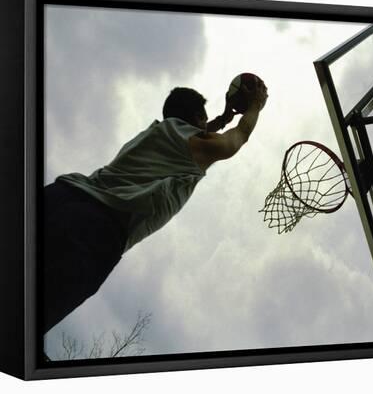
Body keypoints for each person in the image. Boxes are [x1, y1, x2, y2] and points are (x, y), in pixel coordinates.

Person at [42, 79, 268, 333]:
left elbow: (200, 132)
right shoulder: (193, 145)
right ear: (195, 117)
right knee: (26, 319)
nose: (208, 128)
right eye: (203, 122)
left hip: (61, 196)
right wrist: (255, 106)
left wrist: (223, 118)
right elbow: (235, 140)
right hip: (95, 227)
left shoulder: (161, 133)